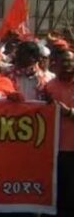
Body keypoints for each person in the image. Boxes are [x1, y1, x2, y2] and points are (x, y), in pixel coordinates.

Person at [44, 49, 74, 216]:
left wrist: (69, 112)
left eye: (70, 61)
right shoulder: (49, 86)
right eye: (63, 61)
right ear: (55, 64)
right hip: (55, 150)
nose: (67, 65)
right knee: (59, 194)